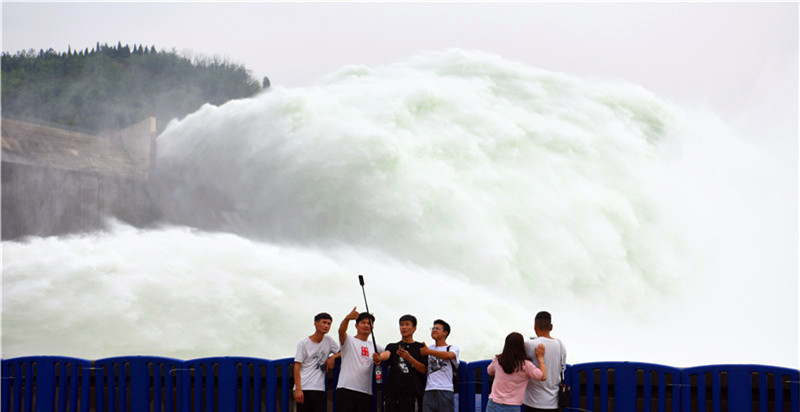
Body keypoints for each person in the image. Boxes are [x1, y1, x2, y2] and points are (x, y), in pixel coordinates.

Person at [375, 315, 428, 412]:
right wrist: (379, 357)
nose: (403, 327)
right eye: (401, 325)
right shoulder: (393, 346)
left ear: (414, 328)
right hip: (392, 393)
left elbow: (423, 369)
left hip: (412, 394)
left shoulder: (420, 347)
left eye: (407, 325)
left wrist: (409, 358)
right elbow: (387, 354)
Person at [336, 307, 384, 412]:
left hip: (366, 393)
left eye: (369, 323)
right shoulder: (349, 340)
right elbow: (341, 331)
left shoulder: (375, 346)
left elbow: (388, 353)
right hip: (346, 389)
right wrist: (347, 318)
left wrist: (380, 358)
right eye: (363, 323)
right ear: (356, 325)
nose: (366, 325)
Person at [486, 332, 546, 412]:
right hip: (512, 407)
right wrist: (540, 358)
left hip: (493, 403)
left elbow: (489, 371)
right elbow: (541, 376)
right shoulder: (526, 365)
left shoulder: (498, 360)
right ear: (521, 346)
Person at [294, 313, 342, 412]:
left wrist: (333, 357)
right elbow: (297, 366)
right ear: (316, 323)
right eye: (324, 322)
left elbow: (343, 352)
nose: (326, 326)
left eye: (329, 324)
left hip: (319, 389)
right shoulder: (303, 343)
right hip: (304, 388)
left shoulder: (328, 340)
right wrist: (298, 390)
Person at [523, 311, 566, 412]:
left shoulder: (529, 345)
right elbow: (562, 368)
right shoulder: (560, 345)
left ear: (535, 326)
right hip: (553, 402)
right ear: (551, 327)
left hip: (533, 401)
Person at [420, 319, 459, 412]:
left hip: (445, 390)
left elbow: (449, 355)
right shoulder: (429, 348)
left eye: (437, 328)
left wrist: (429, 352)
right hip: (429, 391)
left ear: (445, 333)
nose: (434, 330)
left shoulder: (452, 348)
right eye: (432, 328)